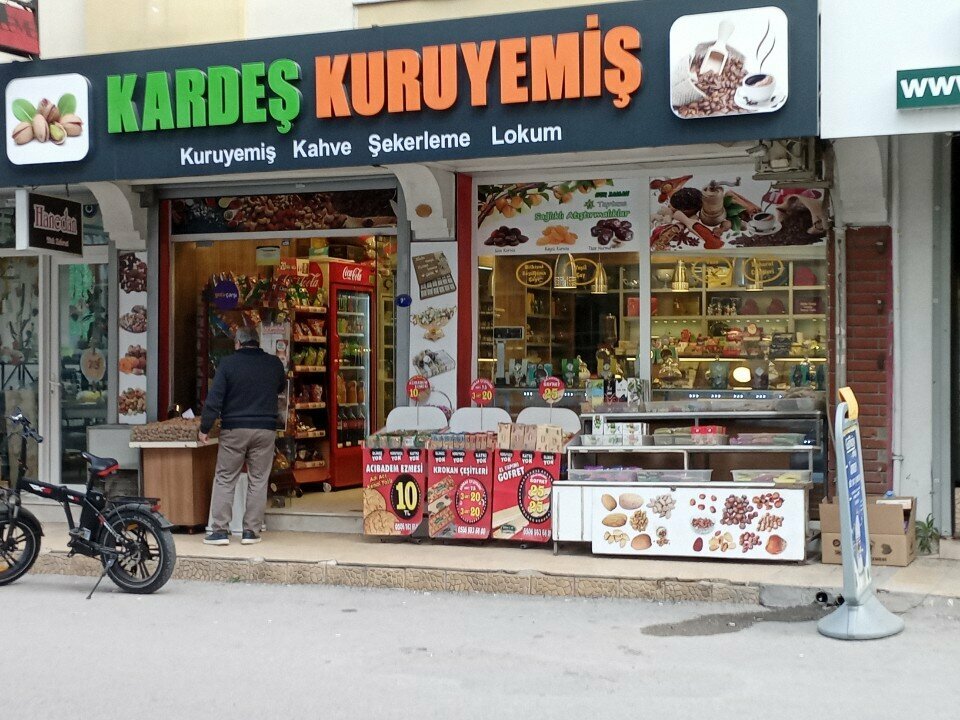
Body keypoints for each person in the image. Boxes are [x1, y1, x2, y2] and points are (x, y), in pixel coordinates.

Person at [199, 327, 286, 546]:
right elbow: (281, 387)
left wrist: (204, 428)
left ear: (238, 343)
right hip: (265, 429)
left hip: (234, 429)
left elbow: (214, 399)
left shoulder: (228, 364)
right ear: (258, 343)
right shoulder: (273, 363)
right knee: (258, 479)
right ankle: (251, 531)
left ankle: (219, 531)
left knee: (226, 478)